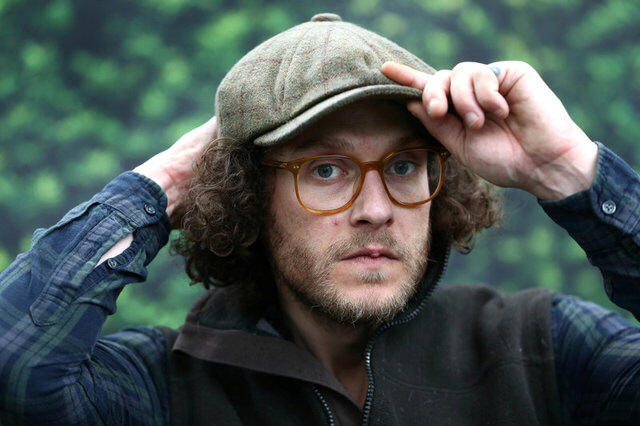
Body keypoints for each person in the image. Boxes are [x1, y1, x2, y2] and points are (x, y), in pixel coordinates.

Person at [1, 12, 639, 425]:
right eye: (325, 170)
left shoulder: (541, 349)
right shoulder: (165, 386)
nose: (376, 210)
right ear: (251, 196)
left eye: (403, 166)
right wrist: (166, 182)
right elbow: (17, 373)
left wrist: (567, 168)